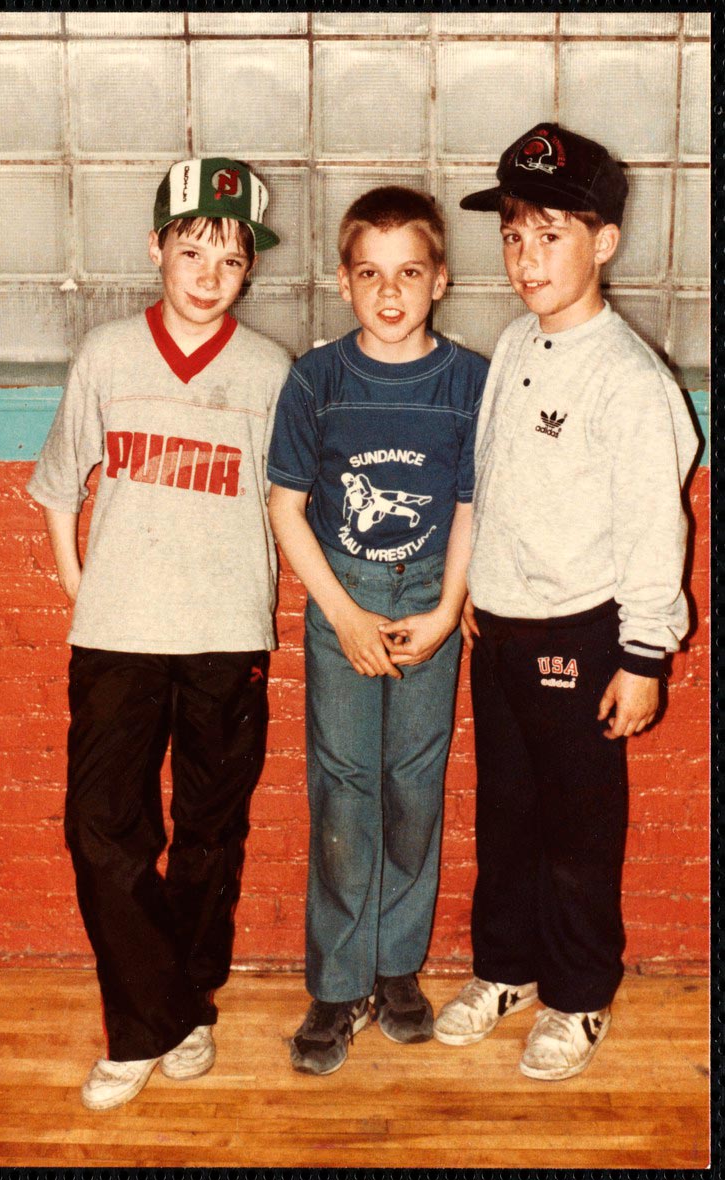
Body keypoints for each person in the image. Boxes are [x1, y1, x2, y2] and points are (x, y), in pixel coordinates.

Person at [433, 123, 698, 1080]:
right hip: (500, 630)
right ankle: (506, 969)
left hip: (584, 639)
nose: (526, 258)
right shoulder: (513, 341)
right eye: (512, 236)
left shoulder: (629, 378)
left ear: (606, 242)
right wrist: (478, 592)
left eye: (551, 235)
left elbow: (653, 529)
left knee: (578, 831)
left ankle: (577, 995)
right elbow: (495, 479)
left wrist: (642, 657)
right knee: (504, 814)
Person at [27, 157, 290, 1110]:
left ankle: (180, 1004)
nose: (209, 270)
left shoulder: (269, 372)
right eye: (192, 247)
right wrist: (82, 591)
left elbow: (286, 505)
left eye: (230, 254)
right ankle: (157, 1019)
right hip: (119, 637)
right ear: (157, 250)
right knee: (102, 831)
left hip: (226, 636)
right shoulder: (104, 354)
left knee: (210, 833)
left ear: (250, 267)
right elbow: (60, 488)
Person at [267, 186, 488, 1075]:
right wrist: (342, 613)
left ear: (439, 279)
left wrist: (443, 612)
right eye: (370, 274)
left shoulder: (468, 380)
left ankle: (397, 969)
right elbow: (287, 507)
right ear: (343, 281)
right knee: (346, 791)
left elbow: (473, 501)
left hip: (431, 598)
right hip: (344, 598)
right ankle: (336, 983)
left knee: (412, 786)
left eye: (409, 273)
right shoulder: (316, 380)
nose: (389, 295)